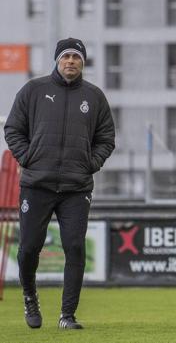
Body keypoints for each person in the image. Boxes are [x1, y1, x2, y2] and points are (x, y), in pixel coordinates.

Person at [4, 38, 115, 329]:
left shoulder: (94, 97)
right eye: (66, 56)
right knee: (28, 249)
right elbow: (13, 129)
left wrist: (90, 164)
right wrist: (29, 157)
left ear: (82, 63)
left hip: (76, 188)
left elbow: (106, 139)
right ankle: (30, 296)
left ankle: (67, 315)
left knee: (75, 247)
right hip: (36, 184)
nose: (71, 61)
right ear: (57, 60)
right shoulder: (33, 90)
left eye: (76, 58)